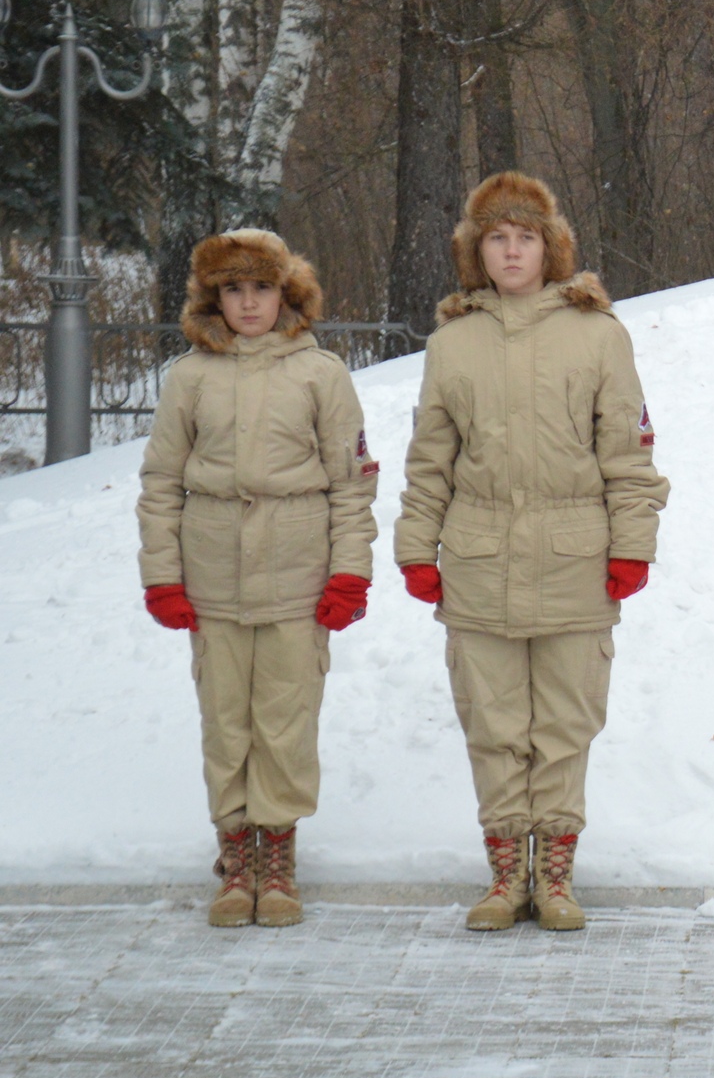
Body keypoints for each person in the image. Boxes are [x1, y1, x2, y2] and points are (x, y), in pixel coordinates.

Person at [395, 173, 668, 933]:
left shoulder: (599, 335)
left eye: (524, 238)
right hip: (480, 561)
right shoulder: (452, 344)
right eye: (495, 238)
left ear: (549, 251)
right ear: (476, 253)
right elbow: (430, 461)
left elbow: (628, 450)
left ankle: (555, 875)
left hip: (575, 558)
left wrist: (631, 545)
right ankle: (505, 872)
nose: (510, 251)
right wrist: (418, 547)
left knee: (564, 725)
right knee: (494, 723)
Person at [137, 229, 377, 928]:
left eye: (262, 288)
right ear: (214, 298)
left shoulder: (320, 374)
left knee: (285, 721)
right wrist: (163, 576)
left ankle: (278, 858)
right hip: (212, 575)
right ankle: (235, 857)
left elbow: (351, 483)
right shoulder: (190, 376)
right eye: (233, 290)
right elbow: (160, 484)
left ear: (287, 294)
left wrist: (348, 573)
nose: (248, 303)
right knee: (227, 723)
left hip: (296, 576)